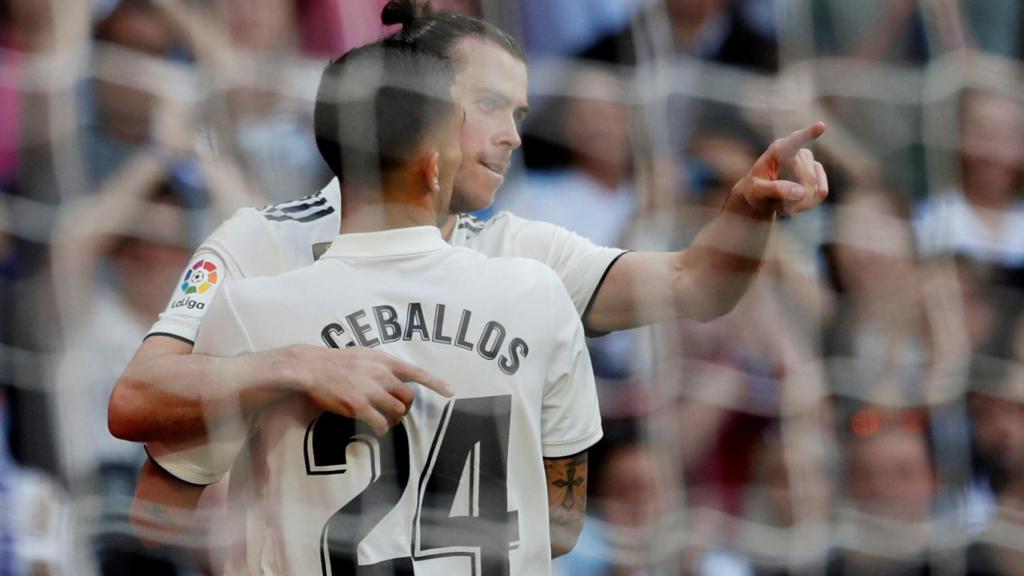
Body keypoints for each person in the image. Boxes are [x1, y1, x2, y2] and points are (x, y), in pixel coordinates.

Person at [108, 0, 827, 458]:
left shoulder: (527, 253)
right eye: (490, 105)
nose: (513, 137)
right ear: (415, 105)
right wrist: (293, 366)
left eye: (518, 114)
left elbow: (693, 284)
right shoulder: (258, 241)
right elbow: (136, 400)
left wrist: (746, 210)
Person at [135, 41, 601, 574]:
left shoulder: (251, 309)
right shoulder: (538, 293)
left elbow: (156, 519)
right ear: (433, 167)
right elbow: (562, 526)